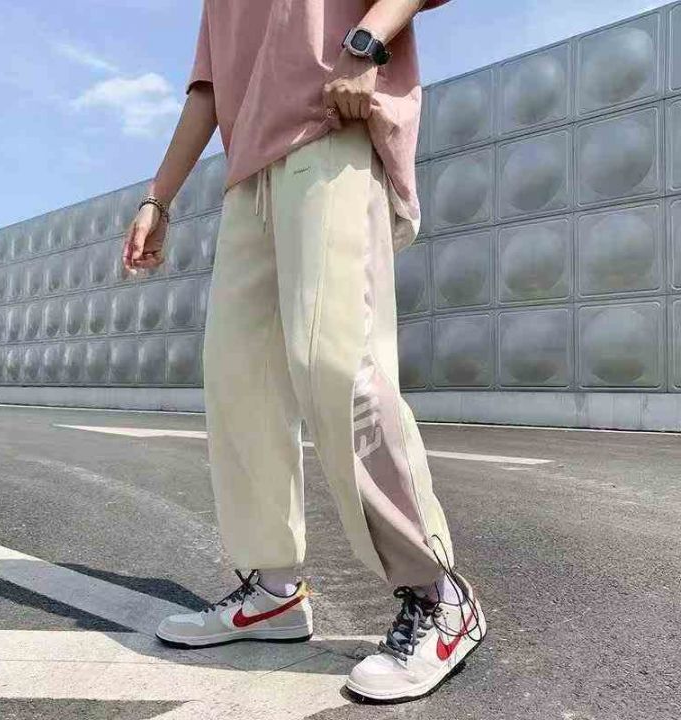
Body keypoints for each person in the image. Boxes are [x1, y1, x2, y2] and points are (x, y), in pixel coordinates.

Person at [121, 0, 486, 703]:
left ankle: (439, 594)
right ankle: (274, 591)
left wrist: (365, 43)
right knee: (240, 383)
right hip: (248, 176)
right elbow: (210, 87)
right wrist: (158, 199)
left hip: (329, 132)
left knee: (337, 365)